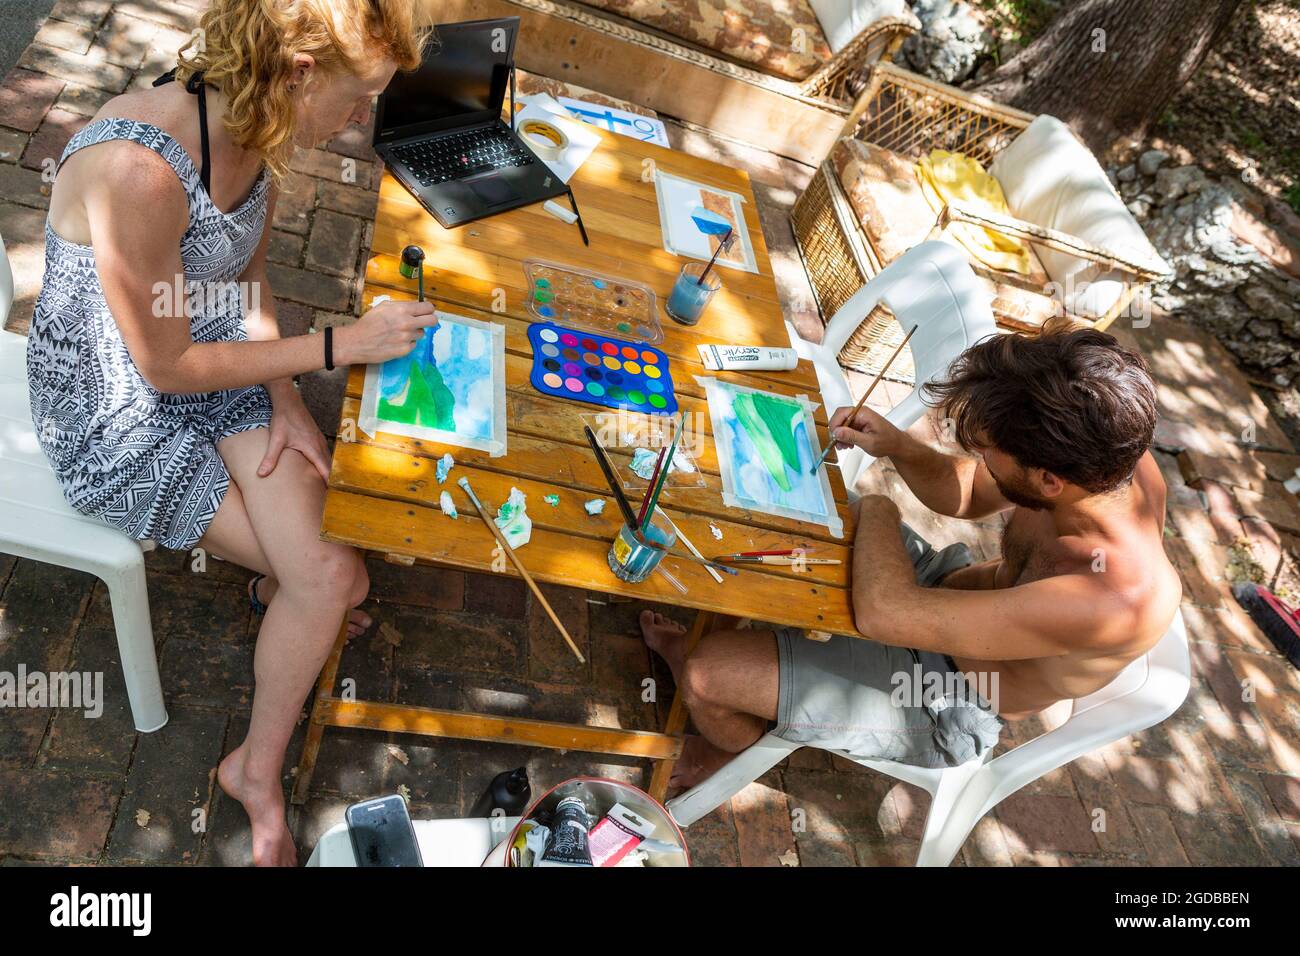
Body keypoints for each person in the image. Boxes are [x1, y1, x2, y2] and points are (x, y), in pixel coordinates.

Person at [27, 0, 436, 865]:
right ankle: (259, 768)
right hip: (115, 414)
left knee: (329, 580)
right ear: (298, 70)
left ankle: (256, 744)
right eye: (359, 99)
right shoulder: (140, 168)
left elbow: (243, 286)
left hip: (209, 355)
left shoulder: (256, 126)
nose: (363, 120)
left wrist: (287, 395)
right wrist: (340, 346)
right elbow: (164, 367)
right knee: (336, 586)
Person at [640, 324, 1182, 790]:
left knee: (707, 677)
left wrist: (879, 508)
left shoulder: (1108, 599)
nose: (979, 460)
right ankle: (741, 643)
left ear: (1048, 480)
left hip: (947, 692)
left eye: (991, 457)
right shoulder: (1101, 457)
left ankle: (730, 747)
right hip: (946, 593)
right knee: (772, 502)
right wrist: (899, 446)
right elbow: (969, 493)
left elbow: (885, 614)